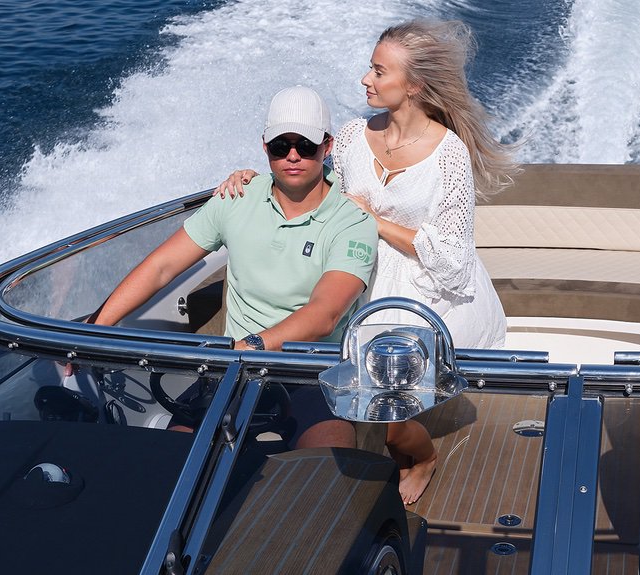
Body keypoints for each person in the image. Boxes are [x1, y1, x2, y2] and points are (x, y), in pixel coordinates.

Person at [216, 20, 518, 505]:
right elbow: (312, 181)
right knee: (353, 396)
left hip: (422, 291)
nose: (366, 79)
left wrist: (374, 221)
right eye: (370, 68)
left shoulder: (449, 154)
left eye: (379, 71)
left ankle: (422, 457)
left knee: (388, 412)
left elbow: (452, 257)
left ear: (413, 85)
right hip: (355, 275)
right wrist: (252, 178)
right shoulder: (355, 136)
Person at [90, 86, 376, 451]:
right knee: (166, 462)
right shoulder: (235, 197)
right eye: (280, 146)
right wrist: (99, 326)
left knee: (324, 467)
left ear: (327, 146)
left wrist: (252, 347)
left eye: (305, 146)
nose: (292, 156)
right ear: (264, 147)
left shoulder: (352, 222)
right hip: (233, 371)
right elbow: (162, 266)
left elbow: (325, 314)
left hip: (313, 375)